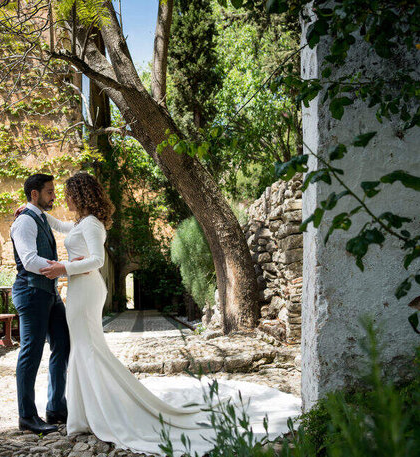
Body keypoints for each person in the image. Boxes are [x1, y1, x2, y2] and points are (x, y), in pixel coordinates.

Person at [34, 172, 301, 456]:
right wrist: (35, 210)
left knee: (87, 349)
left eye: (69, 193)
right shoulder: (81, 222)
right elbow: (61, 226)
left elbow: (97, 260)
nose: (65, 198)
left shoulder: (92, 224)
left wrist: (65, 268)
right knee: (84, 348)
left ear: (81, 195)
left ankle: (98, 412)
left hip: (85, 291)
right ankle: (86, 412)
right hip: (79, 290)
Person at [10, 173, 71, 434]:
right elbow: (29, 260)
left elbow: (67, 227)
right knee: (31, 353)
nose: (53, 195)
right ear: (34, 194)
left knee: (63, 343)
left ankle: (56, 407)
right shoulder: (24, 221)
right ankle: (27, 416)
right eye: (49, 191)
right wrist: (65, 269)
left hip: (50, 293)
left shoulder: (42, 217)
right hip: (31, 293)